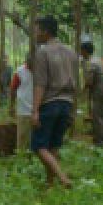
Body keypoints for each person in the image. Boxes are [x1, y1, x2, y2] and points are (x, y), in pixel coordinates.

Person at [31, 15, 78, 188]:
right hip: (66, 103)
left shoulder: (42, 52)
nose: (35, 33)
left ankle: (62, 177)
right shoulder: (71, 52)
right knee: (53, 146)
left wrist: (35, 110)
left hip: (50, 103)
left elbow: (40, 84)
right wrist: (73, 108)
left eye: (37, 30)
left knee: (39, 146)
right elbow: (76, 82)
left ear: (44, 32)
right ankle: (49, 184)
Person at [80, 41, 103, 147]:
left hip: (100, 92)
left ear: (84, 51)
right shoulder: (97, 60)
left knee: (97, 117)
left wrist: (83, 91)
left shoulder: (91, 63)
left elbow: (89, 81)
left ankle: (100, 142)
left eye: (81, 51)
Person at [8, 53, 34, 154]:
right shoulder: (20, 71)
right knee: (22, 136)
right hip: (23, 109)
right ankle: (21, 155)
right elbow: (13, 89)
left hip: (37, 109)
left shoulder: (42, 71)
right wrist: (11, 106)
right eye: (29, 64)